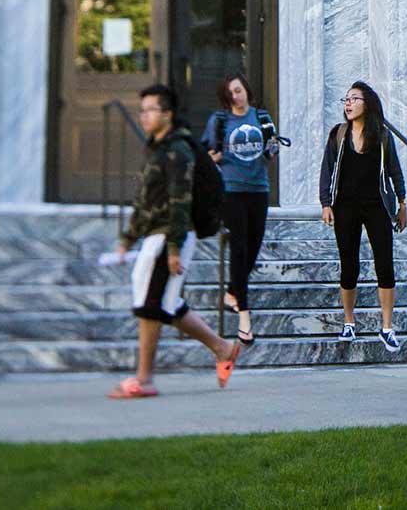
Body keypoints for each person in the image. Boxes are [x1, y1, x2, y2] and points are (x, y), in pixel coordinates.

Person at [110, 83, 243, 398]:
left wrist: (173, 248)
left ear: (167, 114)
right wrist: (129, 238)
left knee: (150, 304)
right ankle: (223, 348)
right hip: (158, 235)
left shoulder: (178, 150)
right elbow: (145, 199)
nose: (144, 116)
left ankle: (144, 380)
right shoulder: (156, 148)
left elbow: (180, 201)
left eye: (151, 110)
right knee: (166, 304)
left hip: (171, 236)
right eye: (141, 111)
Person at [317, 81, 407, 352]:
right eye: (346, 99)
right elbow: (326, 171)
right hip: (345, 207)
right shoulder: (339, 134)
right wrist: (326, 203)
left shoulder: (381, 135)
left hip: (377, 206)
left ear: (367, 103)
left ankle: (387, 327)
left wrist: (401, 204)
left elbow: (395, 171)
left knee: (385, 263)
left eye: (354, 99)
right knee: (349, 265)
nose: (348, 103)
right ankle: (348, 323)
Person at [202, 73, 281, 348]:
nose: (235, 95)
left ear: (246, 89)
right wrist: (216, 157)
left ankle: (233, 291)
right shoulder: (220, 121)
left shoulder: (261, 117)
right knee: (239, 249)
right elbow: (205, 154)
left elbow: (271, 155)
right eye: (230, 93)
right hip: (231, 191)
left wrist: (273, 148)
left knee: (253, 246)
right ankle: (245, 320)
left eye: (238, 90)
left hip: (258, 190)